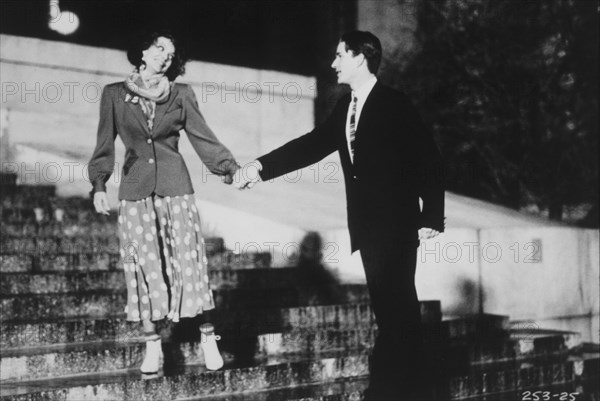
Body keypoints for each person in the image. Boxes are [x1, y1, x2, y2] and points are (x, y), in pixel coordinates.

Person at [234, 31, 445, 400]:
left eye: (339, 56)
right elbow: (312, 145)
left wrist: (431, 216)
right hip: (367, 228)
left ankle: (388, 390)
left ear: (360, 58)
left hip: (396, 226)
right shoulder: (346, 106)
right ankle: (407, 388)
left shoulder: (395, 103)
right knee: (393, 312)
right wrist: (259, 167)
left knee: (398, 312)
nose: (333, 64)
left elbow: (428, 158)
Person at [88, 30, 238, 375]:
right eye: (159, 48)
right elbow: (103, 145)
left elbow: (203, 137)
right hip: (135, 190)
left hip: (176, 188)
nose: (165, 56)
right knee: (140, 267)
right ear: (142, 50)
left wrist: (228, 169)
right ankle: (152, 345)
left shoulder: (181, 94)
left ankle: (207, 337)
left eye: (171, 53)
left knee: (190, 264)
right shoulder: (113, 95)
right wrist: (99, 184)